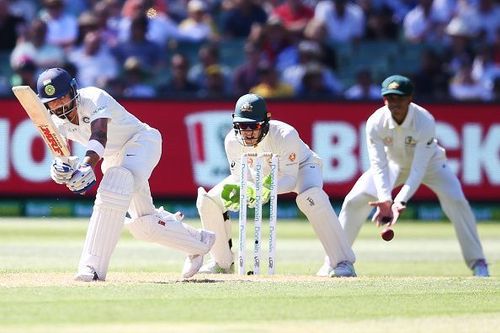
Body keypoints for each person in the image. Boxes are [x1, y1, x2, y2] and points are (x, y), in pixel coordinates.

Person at [36, 67, 215, 281]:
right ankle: (199, 242)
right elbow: (62, 157)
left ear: (73, 90)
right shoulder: (56, 123)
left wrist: (86, 166)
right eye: (53, 102)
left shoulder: (93, 97)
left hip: (141, 142)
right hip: (112, 156)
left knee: (114, 182)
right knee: (145, 227)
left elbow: (99, 134)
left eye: (62, 98)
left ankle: (91, 268)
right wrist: (60, 170)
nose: (60, 106)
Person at [338, 74, 490, 277]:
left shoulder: (424, 120)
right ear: (384, 99)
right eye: (389, 98)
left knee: (456, 200)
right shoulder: (376, 121)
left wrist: (399, 201)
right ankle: (337, 261)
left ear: (410, 98)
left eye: (399, 98)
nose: (394, 104)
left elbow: (418, 169)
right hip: (394, 165)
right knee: (354, 200)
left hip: (431, 165)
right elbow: (378, 163)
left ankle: (478, 262)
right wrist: (384, 199)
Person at [196, 93, 356, 277]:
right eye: (242, 126)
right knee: (208, 200)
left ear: (266, 121)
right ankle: (221, 262)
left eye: (253, 126)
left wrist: (261, 190)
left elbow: (289, 179)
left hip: (302, 167)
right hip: (261, 175)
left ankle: (342, 262)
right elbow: (242, 177)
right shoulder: (232, 141)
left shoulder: (285, 134)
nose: (247, 132)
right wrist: (245, 190)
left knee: (311, 198)